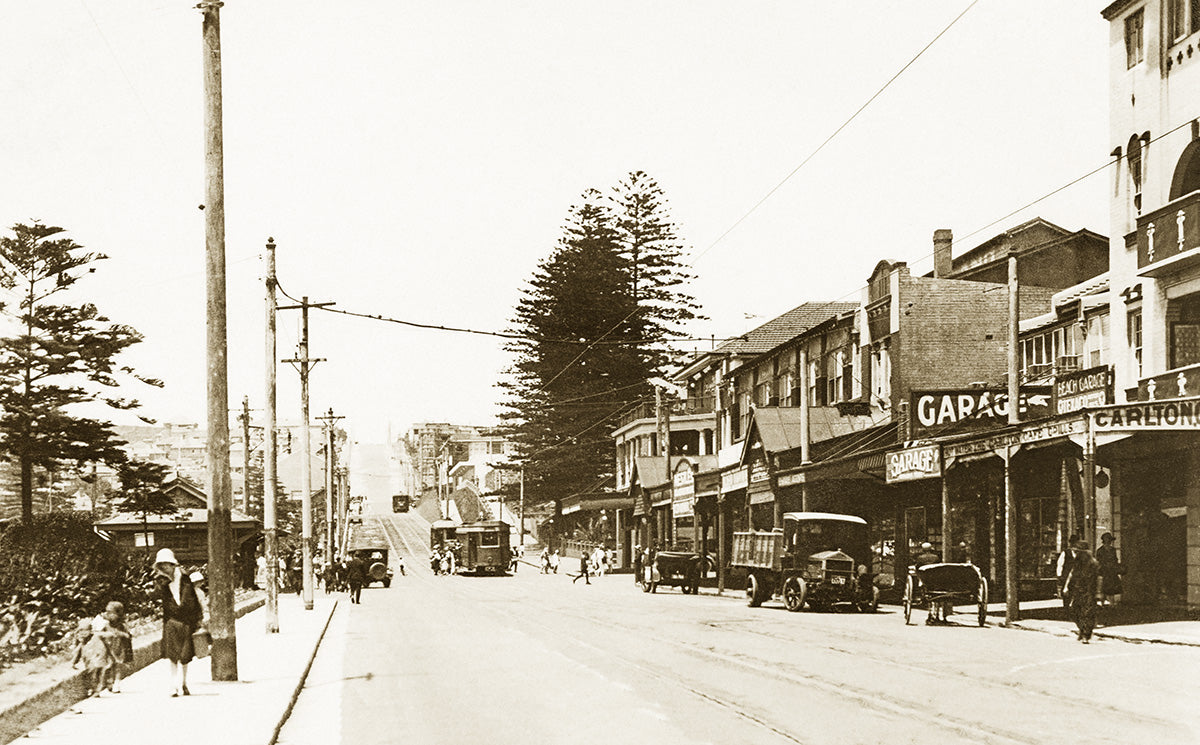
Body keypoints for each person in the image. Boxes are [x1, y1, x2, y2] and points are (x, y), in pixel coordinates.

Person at [154, 548, 203, 697]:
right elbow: (157, 598)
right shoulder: (161, 581)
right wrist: (161, 582)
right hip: (171, 622)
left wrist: (197, 621)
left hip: (186, 622)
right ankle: (174, 685)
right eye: (161, 565)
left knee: (185, 656)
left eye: (166, 565)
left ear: (172, 564)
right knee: (172, 656)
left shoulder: (185, 579)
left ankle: (184, 683)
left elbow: (192, 602)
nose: (164, 568)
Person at [1064, 540, 1099, 643]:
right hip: (1077, 589)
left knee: (1087, 612)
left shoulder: (1093, 563)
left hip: (1089, 590)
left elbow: (1099, 577)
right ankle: (1082, 629)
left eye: (1078, 552)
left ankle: (1086, 635)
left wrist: (1099, 592)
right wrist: (1066, 587)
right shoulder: (1077, 562)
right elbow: (1071, 573)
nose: (1076, 554)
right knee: (1074, 610)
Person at [98, 601, 133, 693]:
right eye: (106, 612)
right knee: (108, 666)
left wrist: (120, 634)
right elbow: (99, 634)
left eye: (110, 612)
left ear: (118, 614)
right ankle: (109, 682)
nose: (107, 614)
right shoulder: (105, 625)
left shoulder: (121, 626)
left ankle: (116, 683)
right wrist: (105, 635)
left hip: (119, 648)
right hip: (109, 649)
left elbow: (128, 635)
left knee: (117, 666)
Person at [913, 542, 946, 624]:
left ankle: (930, 613)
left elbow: (917, 568)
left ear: (923, 550)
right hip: (936, 580)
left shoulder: (920, 558)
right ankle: (937, 614)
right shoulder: (936, 557)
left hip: (926, 580)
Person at [1096, 532, 1123, 606]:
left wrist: (1115, 566)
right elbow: (1099, 561)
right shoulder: (1100, 550)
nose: (1109, 542)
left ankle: (1112, 603)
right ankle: (1102, 603)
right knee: (1103, 587)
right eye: (1108, 540)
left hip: (1112, 571)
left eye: (1110, 540)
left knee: (1112, 588)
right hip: (1104, 571)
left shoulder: (1113, 550)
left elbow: (1115, 559)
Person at [1056, 533, 1080, 609]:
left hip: (1077, 576)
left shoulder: (1080, 554)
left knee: (1076, 593)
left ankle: (1074, 608)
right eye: (1073, 543)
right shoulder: (1065, 553)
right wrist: (1059, 575)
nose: (1074, 546)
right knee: (1066, 594)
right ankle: (1066, 608)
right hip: (1066, 576)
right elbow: (1060, 564)